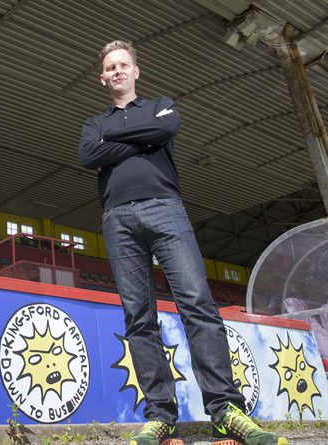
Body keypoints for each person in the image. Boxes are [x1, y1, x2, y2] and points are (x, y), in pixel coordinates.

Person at [79, 40, 287, 445]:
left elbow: (166, 127)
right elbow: (89, 155)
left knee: (198, 304)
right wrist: (142, 139)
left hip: (166, 209)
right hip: (117, 219)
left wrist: (116, 144)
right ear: (103, 78)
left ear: (136, 71)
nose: (117, 70)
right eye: (110, 67)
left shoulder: (162, 104)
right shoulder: (93, 123)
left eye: (124, 64)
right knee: (139, 317)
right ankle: (160, 416)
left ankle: (226, 410)